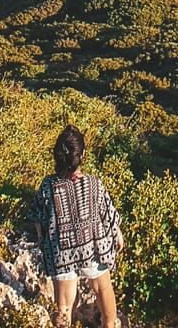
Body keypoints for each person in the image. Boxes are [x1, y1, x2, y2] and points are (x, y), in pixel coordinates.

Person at [28, 125, 124, 328]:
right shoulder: (93, 183)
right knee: (103, 289)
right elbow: (108, 215)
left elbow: (38, 219)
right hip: (93, 247)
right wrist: (117, 234)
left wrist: (43, 243)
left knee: (63, 306)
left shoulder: (48, 186)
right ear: (82, 155)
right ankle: (109, 325)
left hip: (61, 253)